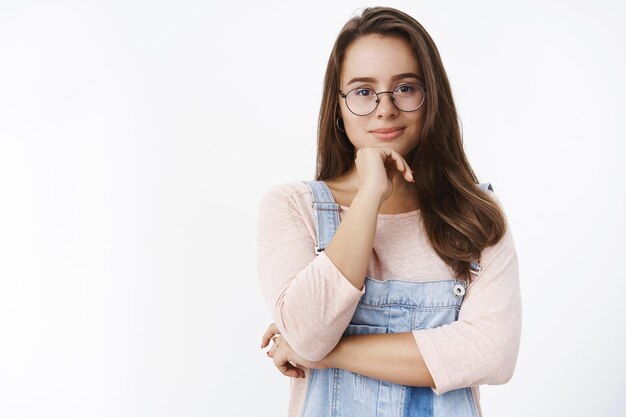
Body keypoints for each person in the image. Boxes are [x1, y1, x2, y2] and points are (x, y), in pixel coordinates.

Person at [257, 6, 521, 417]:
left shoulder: (475, 215)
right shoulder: (293, 207)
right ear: (339, 107)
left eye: (405, 88)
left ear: (431, 98)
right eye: (363, 91)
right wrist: (368, 197)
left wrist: (330, 353)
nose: (385, 108)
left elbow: (492, 353)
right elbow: (308, 336)